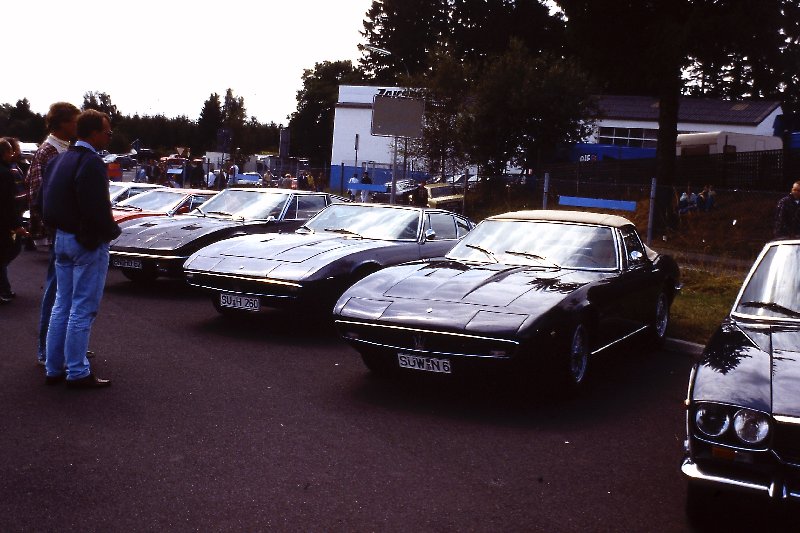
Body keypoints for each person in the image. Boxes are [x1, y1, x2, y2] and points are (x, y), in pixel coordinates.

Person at [41, 110, 120, 388]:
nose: (109, 137)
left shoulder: (59, 159)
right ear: (94, 133)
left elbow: (42, 201)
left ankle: (53, 367)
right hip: (85, 241)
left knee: (61, 305)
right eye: (107, 132)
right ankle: (77, 371)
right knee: (82, 308)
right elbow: (96, 207)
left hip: (61, 238)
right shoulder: (92, 162)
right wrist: (110, 233)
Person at [26, 103, 80, 246]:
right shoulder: (48, 151)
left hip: (65, 225)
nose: (78, 126)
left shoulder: (63, 148)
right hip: (55, 228)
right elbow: (36, 192)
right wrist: (44, 227)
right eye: (75, 122)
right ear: (62, 123)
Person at [0, 139, 29, 303]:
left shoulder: (8, 169)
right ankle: (3, 290)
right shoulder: (5, 174)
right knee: (7, 252)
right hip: (5, 222)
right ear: (5, 153)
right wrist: (16, 225)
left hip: (6, 220)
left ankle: (4, 288)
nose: (12, 154)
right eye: (10, 151)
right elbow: (7, 203)